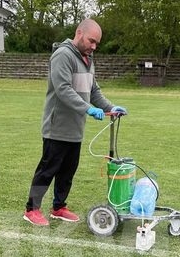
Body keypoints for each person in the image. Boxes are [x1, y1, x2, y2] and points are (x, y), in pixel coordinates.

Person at [23, 19, 127, 226]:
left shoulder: (88, 59)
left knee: (68, 171)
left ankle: (58, 207)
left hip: (75, 129)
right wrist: (87, 108)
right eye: (91, 41)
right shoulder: (63, 55)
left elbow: (93, 91)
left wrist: (110, 108)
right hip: (57, 128)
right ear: (79, 33)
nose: (94, 46)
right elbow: (63, 89)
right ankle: (31, 209)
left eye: (97, 43)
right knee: (47, 170)